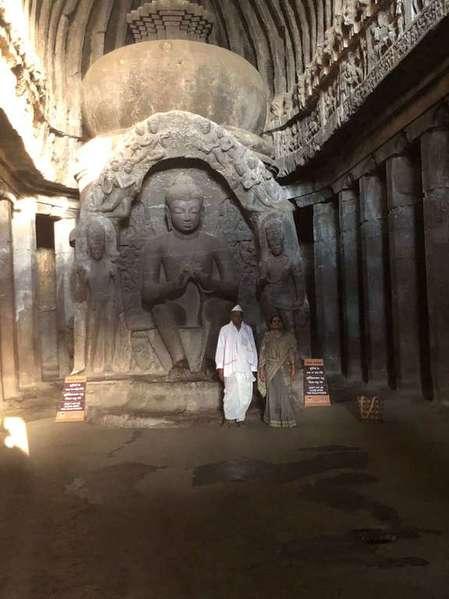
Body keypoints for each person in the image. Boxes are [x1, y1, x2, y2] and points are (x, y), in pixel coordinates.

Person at [215, 305, 258, 426]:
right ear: (231, 316)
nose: (237, 317)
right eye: (234, 315)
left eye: (239, 315)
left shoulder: (247, 329)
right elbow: (220, 348)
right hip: (230, 368)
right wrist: (220, 368)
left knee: (245, 394)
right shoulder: (225, 330)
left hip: (245, 368)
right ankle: (229, 418)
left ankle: (240, 418)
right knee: (230, 394)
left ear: (242, 316)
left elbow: (252, 348)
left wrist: (254, 368)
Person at [258, 314, 298, 428]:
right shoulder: (267, 336)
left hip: (283, 369)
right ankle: (273, 419)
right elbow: (262, 354)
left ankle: (287, 419)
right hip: (270, 369)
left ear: (281, 323)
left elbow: (291, 353)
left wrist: (293, 368)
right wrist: (261, 370)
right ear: (270, 324)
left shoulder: (288, 337)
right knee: (272, 394)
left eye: (278, 321)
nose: (276, 323)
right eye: (274, 321)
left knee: (284, 394)